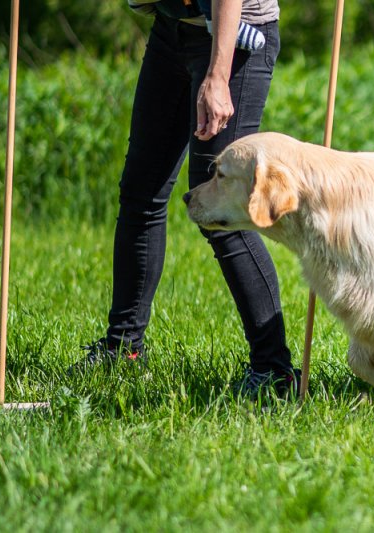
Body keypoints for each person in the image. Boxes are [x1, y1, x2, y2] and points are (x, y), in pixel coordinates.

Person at [70, 0, 300, 396]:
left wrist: (218, 75)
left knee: (223, 211)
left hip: (233, 39)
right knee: (141, 192)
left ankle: (274, 370)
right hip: (172, 30)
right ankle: (123, 349)